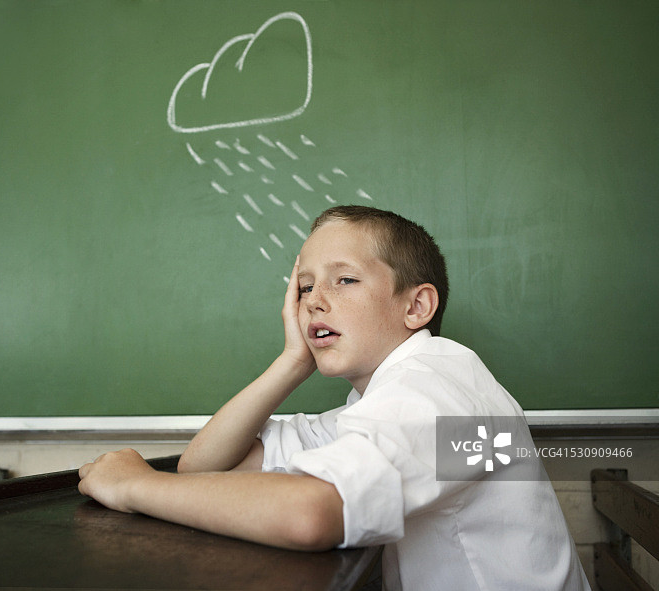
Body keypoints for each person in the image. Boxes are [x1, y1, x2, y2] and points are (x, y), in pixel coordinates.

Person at [79, 205, 590, 590]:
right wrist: (292, 362)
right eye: (303, 288)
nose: (315, 300)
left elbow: (312, 514)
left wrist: (134, 487)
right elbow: (206, 466)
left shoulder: (439, 389)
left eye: (344, 279)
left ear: (417, 305)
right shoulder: (374, 402)